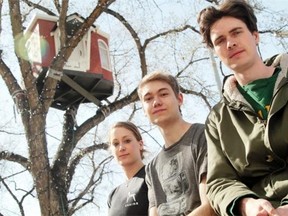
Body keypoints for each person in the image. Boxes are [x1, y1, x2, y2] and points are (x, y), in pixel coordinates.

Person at [197, 0, 288, 215]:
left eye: (236, 32)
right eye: (220, 40)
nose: (230, 43)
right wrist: (246, 204)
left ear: (255, 36)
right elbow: (219, 181)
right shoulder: (217, 119)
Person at [137, 71, 216, 216]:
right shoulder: (151, 168)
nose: (156, 102)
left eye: (163, 94)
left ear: (179, 99)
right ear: (143, 110)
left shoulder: (203, 135)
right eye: (148, 98)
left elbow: (211, 206)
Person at [107, 121, 149, 216]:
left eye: (127, 141)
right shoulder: (113, 196)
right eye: (116, 144)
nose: (121, 148)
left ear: (140, 144)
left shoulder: (153, 175)